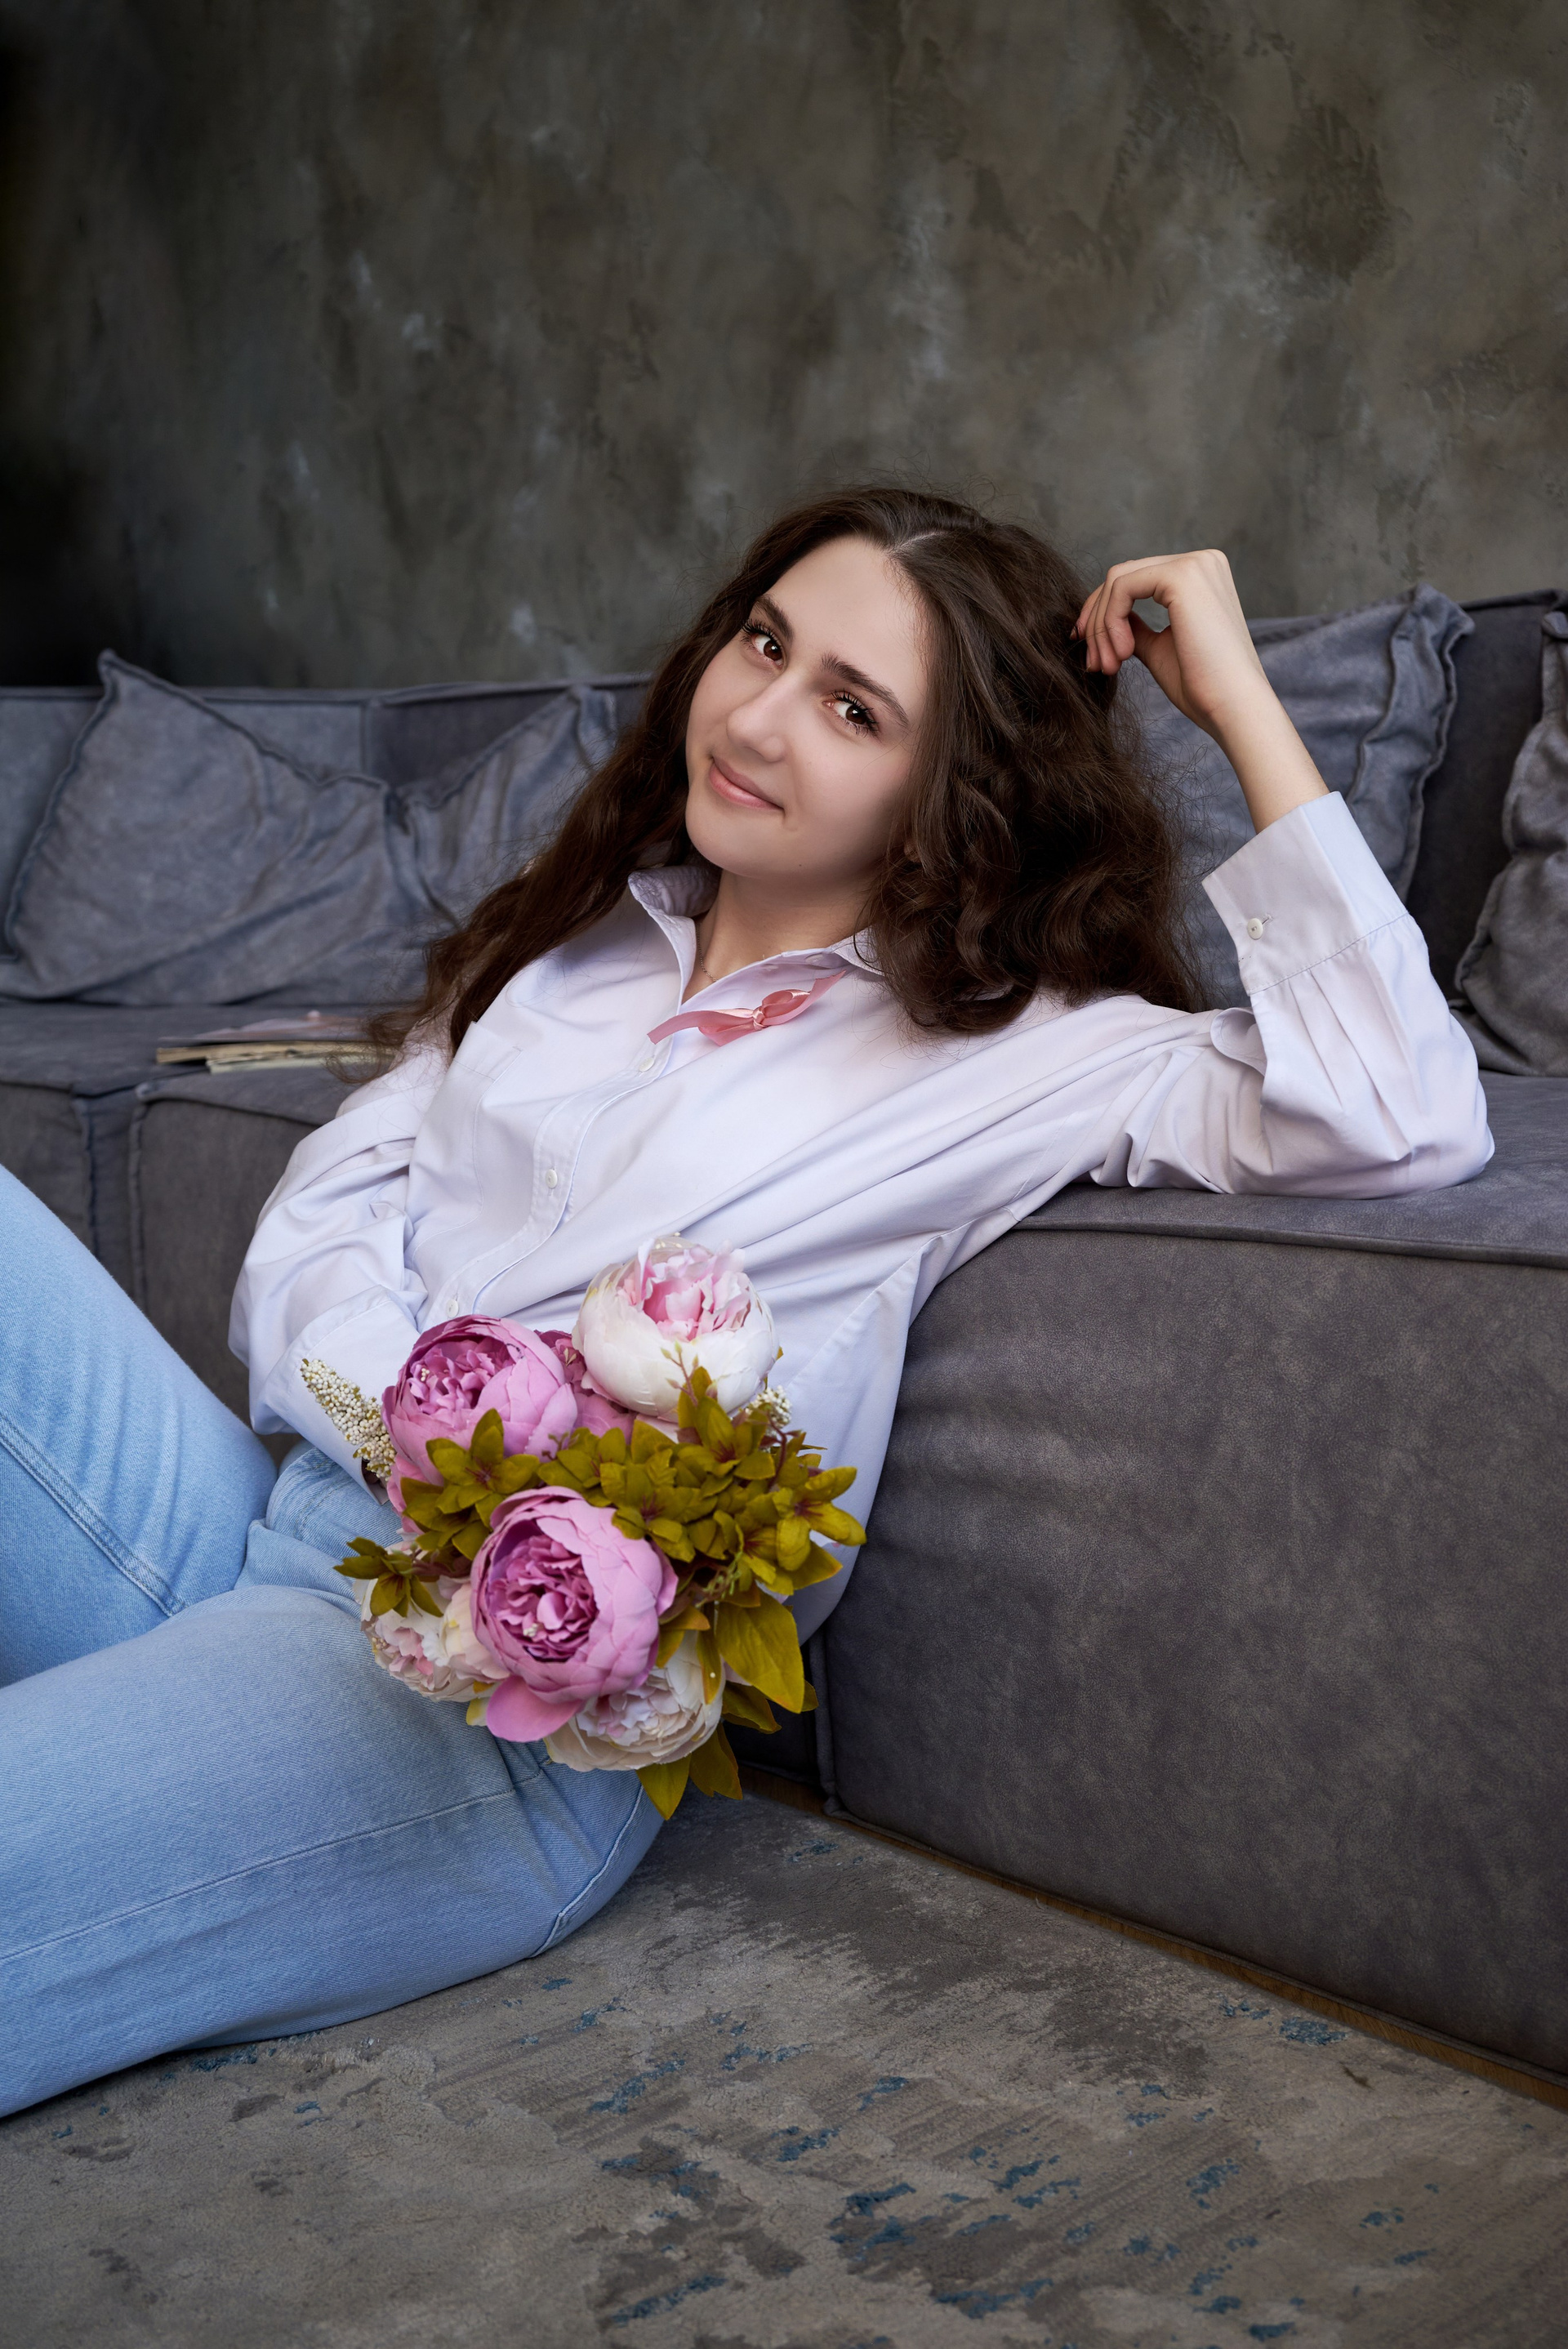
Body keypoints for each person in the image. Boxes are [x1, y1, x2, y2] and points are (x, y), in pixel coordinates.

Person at [0, 488, 1490, 2115]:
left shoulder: (1027, 1054)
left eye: (854, 710)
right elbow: (322, 1215)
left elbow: (1401, 1112)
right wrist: (431, 1438)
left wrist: (1239, 704)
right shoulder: (582, 943)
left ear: (942, 798)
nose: (761, 717)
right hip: (282, 1522)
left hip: (495, 1717)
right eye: (766, 645)